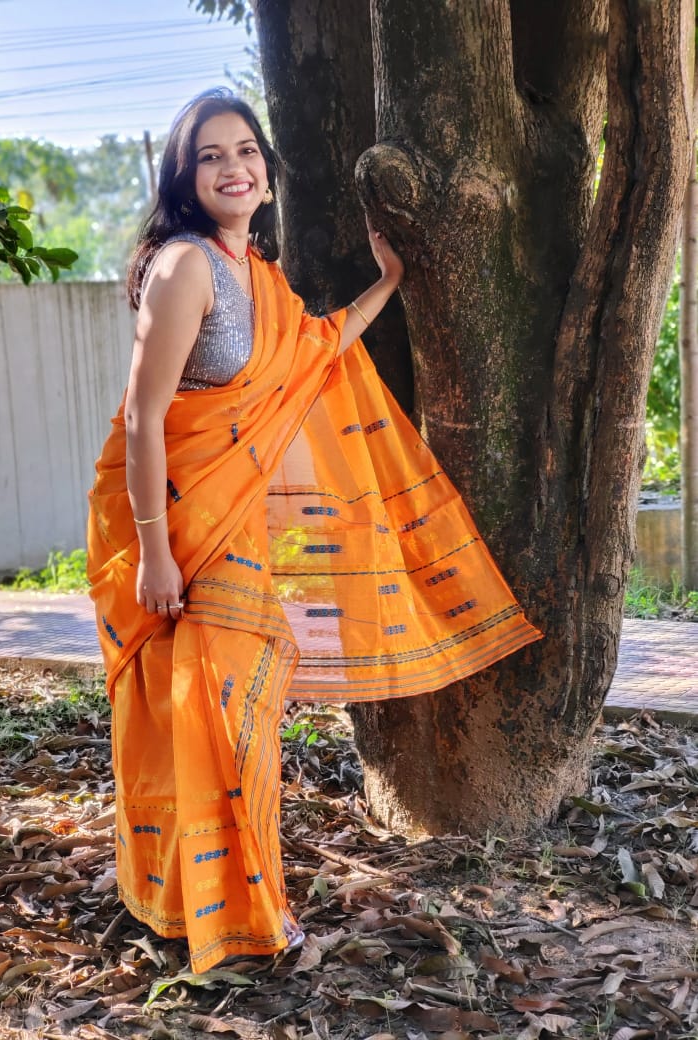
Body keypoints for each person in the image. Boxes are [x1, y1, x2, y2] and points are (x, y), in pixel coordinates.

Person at [87, 88, 541, 974]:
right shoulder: (184, 268)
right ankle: (227, 918)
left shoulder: (258, 271)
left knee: (238, 723)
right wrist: (154, 552)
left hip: (236, 536)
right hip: (180, 530)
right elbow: (144, 419)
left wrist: (389, 284)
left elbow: (316, 352)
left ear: (267, 171)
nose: (233, 167)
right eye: (210, 155)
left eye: (246, 151)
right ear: (184, 177)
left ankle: (217, 907)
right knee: (208, 724)